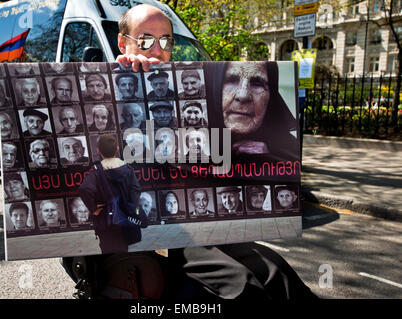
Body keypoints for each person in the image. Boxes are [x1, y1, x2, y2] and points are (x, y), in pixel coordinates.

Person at [62, 4, 316, 300]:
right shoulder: (97, 90)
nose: (157, 50)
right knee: (241, 288)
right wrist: (118, 75)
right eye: (145, 40)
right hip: (125, 234)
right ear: (123, 42)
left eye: (166, 41)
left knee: (278, 274)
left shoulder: (191, 90)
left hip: (188, 221)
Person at [205, 61, 299, 162]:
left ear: (271, 96)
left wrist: (270, 157)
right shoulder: (191, 141)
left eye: (257, 83)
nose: (243, 95)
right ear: (214, 86)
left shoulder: (289, 149)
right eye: (231, 80)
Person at [78, 134, 142, 253]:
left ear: (98, 151)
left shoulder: (96, 172)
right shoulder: (127, 169)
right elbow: (136, 191)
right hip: (125, 219)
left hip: (106, 221)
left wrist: (93, 208)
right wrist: (131, 208)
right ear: (117, 149)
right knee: (124, 251)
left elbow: (84, 188)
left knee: (108, 251)